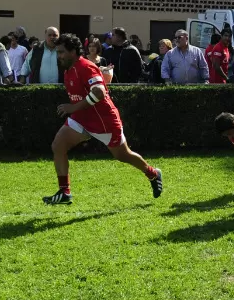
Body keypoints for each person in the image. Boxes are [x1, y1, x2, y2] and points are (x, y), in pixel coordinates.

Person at [44, 33, 162, 205]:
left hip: (104, 121)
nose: (59, 56)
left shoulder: (86, 67)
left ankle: (153, 173)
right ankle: (64, 192)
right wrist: (76, 110)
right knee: (58, 145)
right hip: (81, 119)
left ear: (73, 52)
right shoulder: (69, 69)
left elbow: (99, 92)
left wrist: (72, 108)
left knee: (123, 155)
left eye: (62, 52)